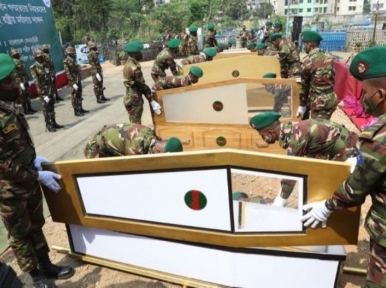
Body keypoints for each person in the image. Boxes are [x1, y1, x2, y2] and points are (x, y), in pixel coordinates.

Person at [300, 46, 386, 287]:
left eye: (365, 92)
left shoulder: (379, 137)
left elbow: (356, 188)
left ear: (379, 94)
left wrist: (326, 207)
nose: (361, 98)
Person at [0, 53, 75, 288]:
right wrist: (35, 174)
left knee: (36, 226)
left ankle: (46, 265)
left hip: (28, 181)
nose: (16, 84)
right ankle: (36, 277)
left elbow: (16, 146)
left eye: (14, 78)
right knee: (21, 236)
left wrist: (34, 159)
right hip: (10, 191)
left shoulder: (9, 106)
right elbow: (3, 166)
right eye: (9, 81)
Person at [249, 111, 359, 207]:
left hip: (347, 152)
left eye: (262, 135)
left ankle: (345, 214)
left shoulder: (296, 138)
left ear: (270, 133)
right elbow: (313, 151)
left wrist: (281, 199)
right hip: (337, 146)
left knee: (336, 189)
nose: (263, 138)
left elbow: (291, 172)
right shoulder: (292, 128)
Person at [297, 30, 338, 121]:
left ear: (309, 45)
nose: (304, 47)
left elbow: (304, 87)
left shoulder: (307, 61)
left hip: (319, 103)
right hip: (331, 99)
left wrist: (302, 104)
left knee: (319, 130)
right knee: (325, 125)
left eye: (305, 44)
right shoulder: (329, 58)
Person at [84, 123, 183, 158]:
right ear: (158, 150)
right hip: (96, 150)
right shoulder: (135, 150)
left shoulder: (150, 134)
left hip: (110, 142)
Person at [123, 41, 162, 124]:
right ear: (134, 54)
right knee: (135, 126)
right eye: (139, 52)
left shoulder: (129, 63)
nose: (141, 54)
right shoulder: (134, 68)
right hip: (134, 100)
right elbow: (142, 85)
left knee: (135, 123)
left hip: (130, 97)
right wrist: (151, 100)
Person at [30, 49, 63, 132]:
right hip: (43, 92)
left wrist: (52, 78)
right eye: (38, 57)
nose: (40, 58)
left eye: (41, 56)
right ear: (35, 58)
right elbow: (37, 82)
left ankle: (54, 122)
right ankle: (48, 124)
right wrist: (43, 94)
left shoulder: (46, 65)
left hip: (50, 89)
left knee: (52, 106)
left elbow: (50, 73)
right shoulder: (34, 68)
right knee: (46, 108)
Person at [63, 46, 89, 117]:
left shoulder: (73, 60)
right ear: (68, 53)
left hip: (77, 78)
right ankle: (76, 110)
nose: (74, 54)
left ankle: (80, 108)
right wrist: (73, 82)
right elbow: (68, 73)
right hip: (73, 81)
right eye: (72, 53)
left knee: (79, 94)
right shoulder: (66, 61)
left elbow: (77, 68)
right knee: (74, 95)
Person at [10, 48, 37, 115]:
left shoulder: (20, 61)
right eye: (16, 54)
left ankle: (30, 107)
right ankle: (25, 110)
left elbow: (24, 71)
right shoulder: (13, 62)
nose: (17, 55)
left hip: (25, 79)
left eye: (17, 54)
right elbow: (15, 73)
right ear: (13, 55)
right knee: (23, 96)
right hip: (20, 80)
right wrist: (19, 82)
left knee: (27, 94)